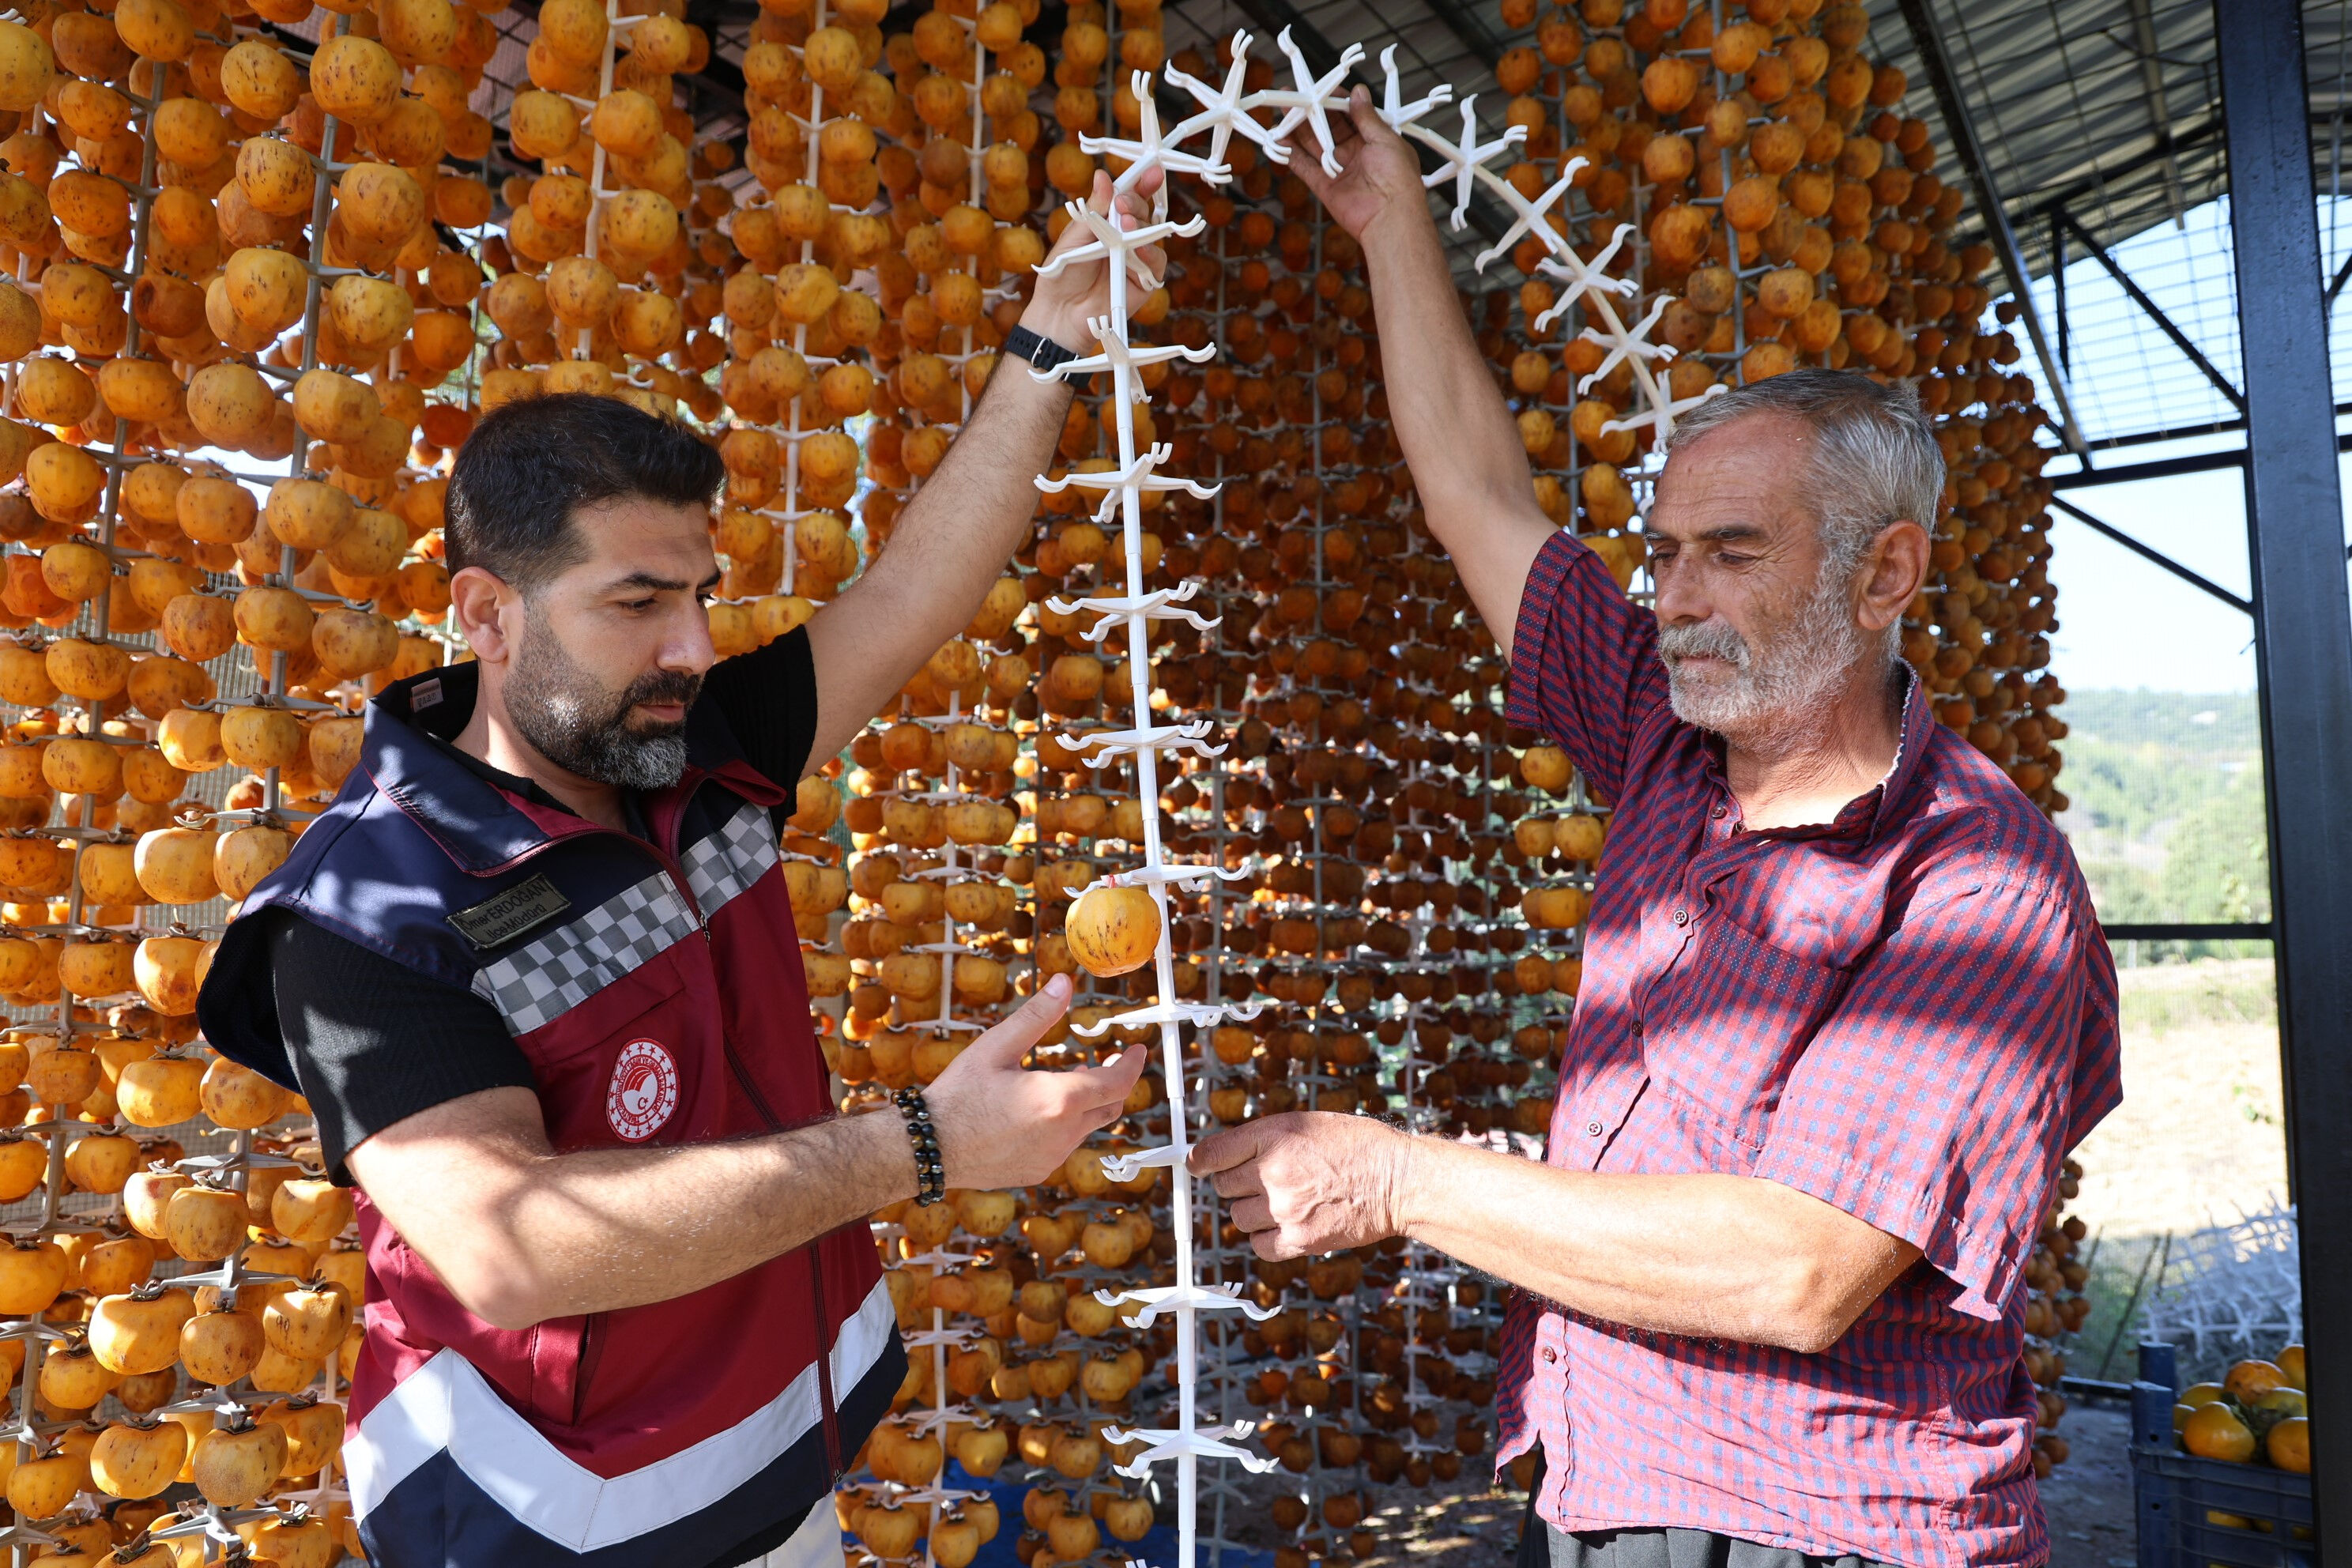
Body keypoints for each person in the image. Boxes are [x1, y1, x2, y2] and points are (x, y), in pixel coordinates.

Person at [1189, 93, 2122, 1568]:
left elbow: (1800, 1266)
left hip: (1822, 1529)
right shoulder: (1662, 739)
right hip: (1601, 1487)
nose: (1677, 599)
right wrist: (1392, 229)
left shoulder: (1978, 881)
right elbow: (1476, 496)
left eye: (1733, 554)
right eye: (1665, 551)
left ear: (1886, 576)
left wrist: (1399, 1179)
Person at [196, 172, 1165, 1568]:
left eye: (700, 595)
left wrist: (1050, 339)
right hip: (550, 1530)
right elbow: (513, 1247)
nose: (695, 648)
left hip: (783, 1486)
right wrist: (928, 1146)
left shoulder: (697, 749)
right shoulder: (366, 913)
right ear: (487, 615)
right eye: (638, 603)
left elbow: (915, 592)